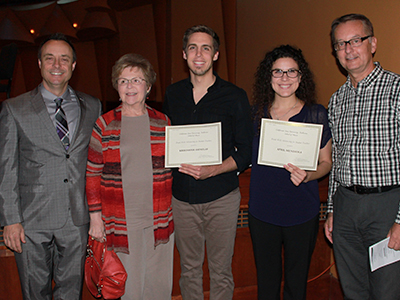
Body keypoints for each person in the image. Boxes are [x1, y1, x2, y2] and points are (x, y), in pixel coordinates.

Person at [0, 33, 102, 299]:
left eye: (64, 59)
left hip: (77, 219)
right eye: (50, 58)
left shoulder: (92, 106)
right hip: (32, 221)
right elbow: (6, 168)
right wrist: (11, 220)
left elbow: (97, 161)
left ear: (73, 66)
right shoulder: (14, 108)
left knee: (71, 292)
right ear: (39, 63)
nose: (57, 65)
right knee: (35, 292)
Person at [163, 25, 252, 300]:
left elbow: (247, 151)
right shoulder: (172, 94)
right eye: (192, 47)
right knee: (188, 269)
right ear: (184, 54)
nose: (198, 54)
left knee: (221, 270)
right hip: (182, 198)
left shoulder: (235, 96)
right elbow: (166, 141)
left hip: (221, 198)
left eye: (205, 48)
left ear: (215, 55)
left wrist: (215, 169)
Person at [324, 13, 400, 300]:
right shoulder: (337, 99)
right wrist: (332, 208)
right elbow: (337, 158)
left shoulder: (396, 90)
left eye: (356, 40)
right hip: (346, 207)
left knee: (387, 292)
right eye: (340, 44)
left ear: (373, 43)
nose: (348, 49)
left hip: (387, 207)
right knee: (353, 290)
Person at [86, 53, 174, 300]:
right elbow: (92, 173)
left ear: (148, 86)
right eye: (123, 81)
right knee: (128, 288)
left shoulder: (163, 122)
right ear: (117, 87)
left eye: (136, 80)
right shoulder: (104, 124)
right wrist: (95, 219)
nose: (129, 86)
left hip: (160, 219)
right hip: (120, 221)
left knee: (158, 287)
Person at [249, 45, 332, 300]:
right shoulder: (256, 116)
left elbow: (326, 163)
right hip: (262, 211)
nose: (284, 78)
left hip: (301, 210)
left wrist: (308, 175)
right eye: (278, 72)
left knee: (297, 285)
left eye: (291, 72)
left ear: (301, 76)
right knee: (266, 283)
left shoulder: (316, 114)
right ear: (268, 76)